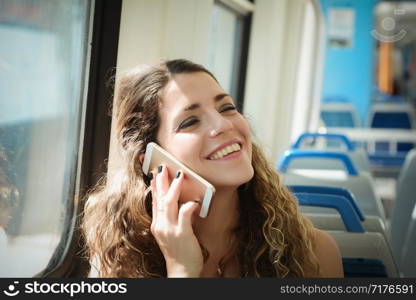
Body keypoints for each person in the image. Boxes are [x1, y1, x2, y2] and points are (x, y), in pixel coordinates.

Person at [81, 59, 343, 278]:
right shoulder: (122, 256)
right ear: (151, 160)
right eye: (190, 121)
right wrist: (181, 271)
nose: (223, 125)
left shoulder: (315, 254)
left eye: (227, 108)